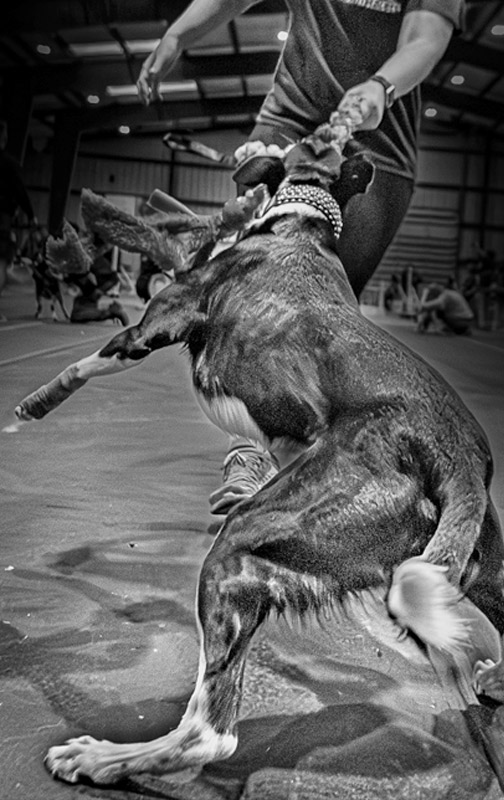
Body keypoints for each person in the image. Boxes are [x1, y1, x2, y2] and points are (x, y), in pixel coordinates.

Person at [137, 0, 465, 514]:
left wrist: (381, 86)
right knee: (253, 294)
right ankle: (249, 453)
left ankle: (307, 450)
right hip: (286, 126)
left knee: (325, 313)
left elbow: (426, 38)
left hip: (376, 147)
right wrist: (178, 34)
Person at [0, 119, 37, 313]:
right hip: (2, 218)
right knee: (1, 261)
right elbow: (19, 191)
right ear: (3, 139)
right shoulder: (8, 164)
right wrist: (31, 215)